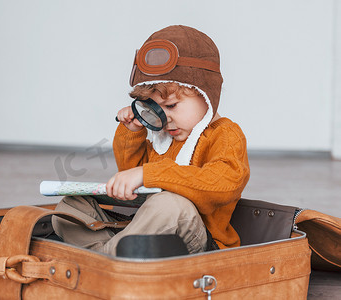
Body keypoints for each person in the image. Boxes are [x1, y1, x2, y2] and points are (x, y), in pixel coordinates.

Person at [52, 25, 250, 256]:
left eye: (172, 106)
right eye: (156, 109)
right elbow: (132, 174)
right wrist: (133, 131)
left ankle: (106, 262)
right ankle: (114, 255)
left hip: (201, 243)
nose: (165, 118)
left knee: (170, 204)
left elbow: (222, 184)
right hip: (152, 234)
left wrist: (148, 174)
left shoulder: (226, 135)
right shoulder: (164, 138)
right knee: (71, 206)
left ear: (206, 94)